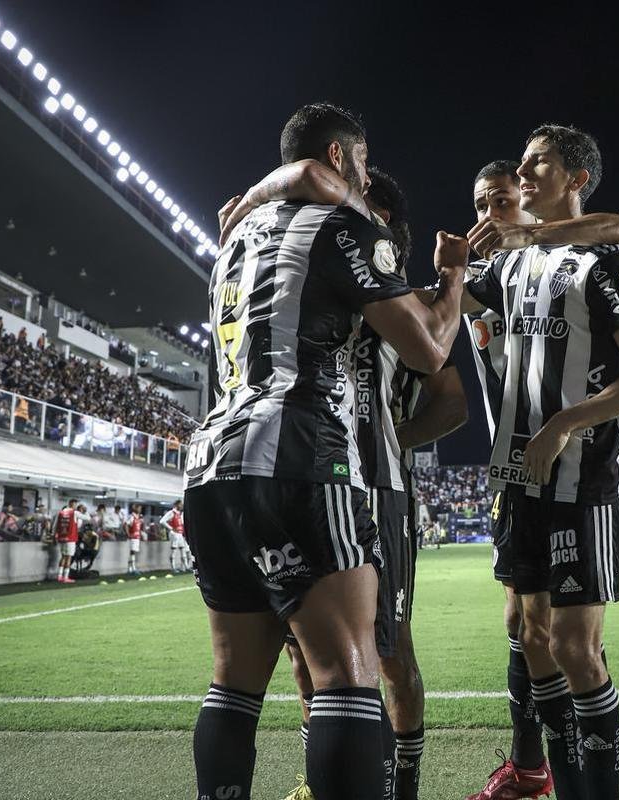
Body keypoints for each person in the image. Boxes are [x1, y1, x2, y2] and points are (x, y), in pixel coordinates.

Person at [183, 103, 463, 800]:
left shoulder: (235, 244)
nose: (361, 185)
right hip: (304, 453)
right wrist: (454, 281)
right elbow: (429, 347)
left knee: (233, 683)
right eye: (360, 168)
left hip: (213, 464)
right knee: (347, 672)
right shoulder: (343, 228)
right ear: (341, 159)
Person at [455, 125, 619, 800]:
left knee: (576, 647)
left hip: (588, 478)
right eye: (519, 163)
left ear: (576, 177)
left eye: (537, 161)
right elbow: (443, 309)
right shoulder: (510, 264)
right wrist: (451, 263)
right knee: (531, 633)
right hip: (519, 478)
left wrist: (564, 423)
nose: (522, 172)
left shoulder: (605, 261)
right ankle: (554, 776)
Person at [52, 498, 80, 583]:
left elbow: (55, 525)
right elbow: (87, 518)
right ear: (73, 504)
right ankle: (65, 577)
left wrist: (54, 536)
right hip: (71, 538)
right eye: (75, 504)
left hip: (62, 538)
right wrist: (84, 511)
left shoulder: (60, 513)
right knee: (69, 557)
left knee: (63, 556)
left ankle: (59, 576)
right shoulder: (74, 513)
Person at [160, 500, 190, 573]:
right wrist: (171, 528)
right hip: (174, 534)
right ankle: (173, 567)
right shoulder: (171, 513)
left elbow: (182, 524)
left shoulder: (179, 514)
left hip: (180, 534)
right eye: (180, 505)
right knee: (174, 550)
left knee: (182, 550)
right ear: (177, 505)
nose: (182, 506)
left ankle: (186, 566)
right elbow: (162, 521)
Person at [126, 503, 145, 575]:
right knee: (132, 552)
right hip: (133, 537)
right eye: (139, 508)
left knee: (133, 552)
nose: (140, 510)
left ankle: (130, 569)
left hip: (137, 537)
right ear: (135, 508)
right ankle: (133, 568)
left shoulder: (138, 517)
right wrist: (128, 534)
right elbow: (126, 525)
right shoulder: (132, 517)